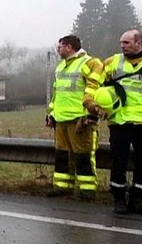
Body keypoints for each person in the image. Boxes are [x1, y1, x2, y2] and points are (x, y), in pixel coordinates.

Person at [92, 29, 142, 214]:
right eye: (121, 43)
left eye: (126, 43)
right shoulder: (112, 62)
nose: (122, 46)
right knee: (119, 161)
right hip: (120, 121)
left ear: (138, 43)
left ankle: (137, 198)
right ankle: (118, 198)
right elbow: (94, 84)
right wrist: (92, 105)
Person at [44, 34, 102, 198]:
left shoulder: (90, 63)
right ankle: (63, 186)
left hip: (80, 119)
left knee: (83, 155)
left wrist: (90, 115)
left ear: (69, 47)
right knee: (62, 154)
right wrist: (51, 114)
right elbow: (57, 94)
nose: (58, 49)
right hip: (61, 119)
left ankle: (87, 189)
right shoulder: (61, 66)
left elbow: (95, 91)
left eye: (60, 46)